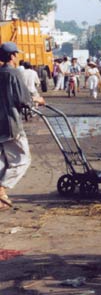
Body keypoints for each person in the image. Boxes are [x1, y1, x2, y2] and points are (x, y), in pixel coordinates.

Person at [0, 42, 45, 210]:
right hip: (10, 123)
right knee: (22, 159)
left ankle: (1, 197)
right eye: (16, 54)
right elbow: (23, 100)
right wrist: (37, 100)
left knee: (2, 161)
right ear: (12, 56)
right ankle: (2, 189)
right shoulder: (13, 73)